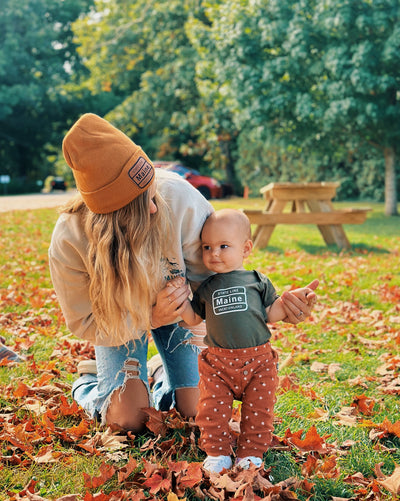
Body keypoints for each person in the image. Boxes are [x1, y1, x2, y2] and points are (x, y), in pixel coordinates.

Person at [48, 113, 316, 433]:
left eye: (152, 190)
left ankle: (164, 374)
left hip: (184, 314)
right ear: (112, 216)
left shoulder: (180, 199)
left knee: (198, 408)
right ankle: (90, 383)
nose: (153, 207)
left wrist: (278, 309)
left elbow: (216, 287)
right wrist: (150, 317)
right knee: (128, 419)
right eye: (140, 202)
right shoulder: (69, 241)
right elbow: (85, 322)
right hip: (117, 322)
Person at [178, 208, 318, 473]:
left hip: (259, 361)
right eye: (207, 247)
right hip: (218, 363)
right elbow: (194, 317)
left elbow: (271, 313)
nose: (214, 253)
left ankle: (251, 452)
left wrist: (293, 300)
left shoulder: (257, 281)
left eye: (223, 246)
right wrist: (178, 302)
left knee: (259, 410)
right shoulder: (207, 287)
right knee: (212, 410)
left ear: (246, 248)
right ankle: (218, 452)